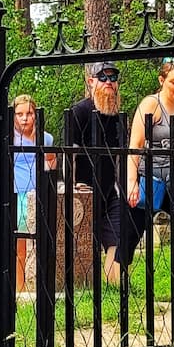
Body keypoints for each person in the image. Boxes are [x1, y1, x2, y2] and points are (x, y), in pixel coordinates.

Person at [121, 59, 174, 302]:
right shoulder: (151, 105)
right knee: (132, 232)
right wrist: (132, 183)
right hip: (151, 177)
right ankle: (117, 283)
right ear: (161, 81)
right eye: (173, 82)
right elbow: (135, 146)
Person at [60, 61, 125, 283]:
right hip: (84, 189)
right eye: (103, 78)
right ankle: (81, 285)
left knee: (117, 237)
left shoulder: (118, 116)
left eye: (113, 78)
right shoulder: (79, 112)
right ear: (91, 81)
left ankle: (112, 287)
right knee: (83, 244)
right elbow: (69, 153)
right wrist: (72, 184)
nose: (109, 82)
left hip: (111, 190)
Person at [12, 95, 56, 297]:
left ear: (35, 114)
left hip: (39, 195)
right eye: (19, 114)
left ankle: (44, 286)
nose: (24, 118)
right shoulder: (9, 138)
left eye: (28, 113)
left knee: (44, 241)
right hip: (18, 195)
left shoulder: (46, 138)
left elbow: (51, 163)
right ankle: (18, 288)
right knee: (20, 243)